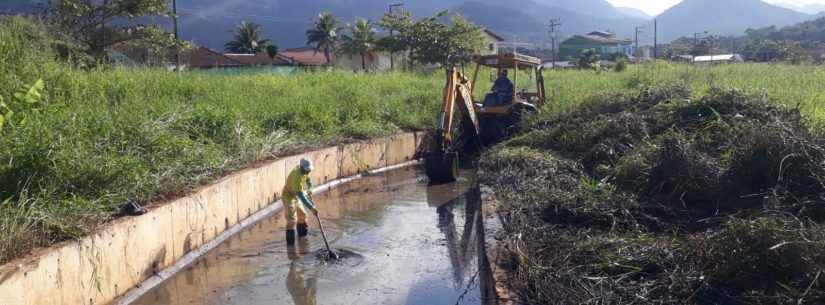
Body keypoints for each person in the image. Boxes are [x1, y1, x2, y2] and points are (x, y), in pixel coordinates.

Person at [283, 158, 319, 247]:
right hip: (289, 197)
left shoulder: (305, 172)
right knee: (292, 221)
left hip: (296, 196)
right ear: (302, 167)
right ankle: (291, 246)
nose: (308, 172)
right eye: (307, 170)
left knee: (302, 215)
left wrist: (310, 188)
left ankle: (302, 239)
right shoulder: (297, 176)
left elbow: (308, 180)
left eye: (309, 170)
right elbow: (302, 196)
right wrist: (312, 208)